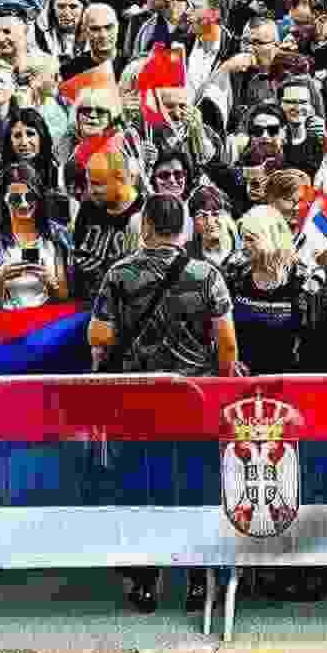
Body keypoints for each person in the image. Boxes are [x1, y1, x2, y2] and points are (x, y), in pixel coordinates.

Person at [88, 193, 238, 615]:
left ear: (146, 227)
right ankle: (197, 582)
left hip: (136, 401)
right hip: (195, 400)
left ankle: (145, 584)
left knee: (142, 489)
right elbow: (227, 342)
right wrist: (222, 380)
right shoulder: (206, 274)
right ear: (184, 229)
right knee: (195, 488)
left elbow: (98, 336)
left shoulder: (119, 274)